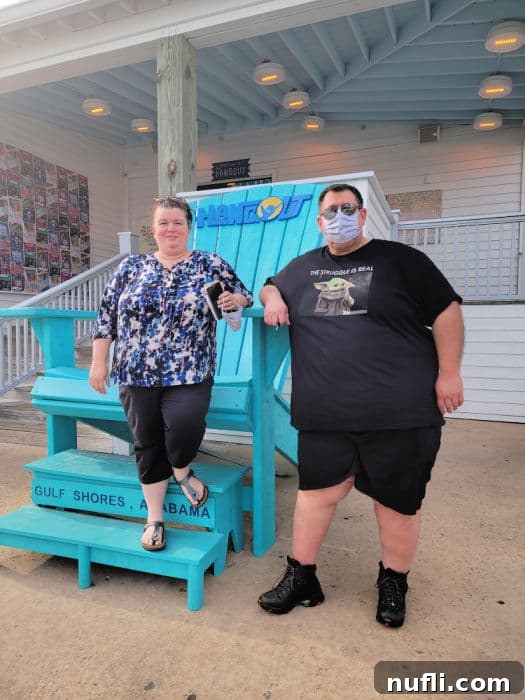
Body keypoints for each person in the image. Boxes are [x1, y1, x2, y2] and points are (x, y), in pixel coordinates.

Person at [257, 183, 464, 627]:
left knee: (397, 503)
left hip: (400, 413)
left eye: (347, 208)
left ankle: (393, 582)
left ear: (363, 213)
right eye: (330, 210)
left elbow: (447, 311)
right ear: (318, 221)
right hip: (326, 414)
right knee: (315, 495)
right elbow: (271, 284)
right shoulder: (305, 267)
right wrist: (272, 296)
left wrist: (449, 373)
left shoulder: (403, 261)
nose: (339, 216)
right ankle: (302, 577)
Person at [89, 195, 253, 551]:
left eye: (178, 222)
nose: (170, 229)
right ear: (153, 229)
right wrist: (98, 361)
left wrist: (232, 301)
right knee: (147, 441)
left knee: (184, 425)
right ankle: (155, 517)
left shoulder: (210, 264)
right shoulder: (130, 268)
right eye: (164, 222)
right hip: (136, 372)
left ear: (189, 227)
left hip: (190, 370)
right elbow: (106, 318)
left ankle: (181, 468)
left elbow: (243, 295)